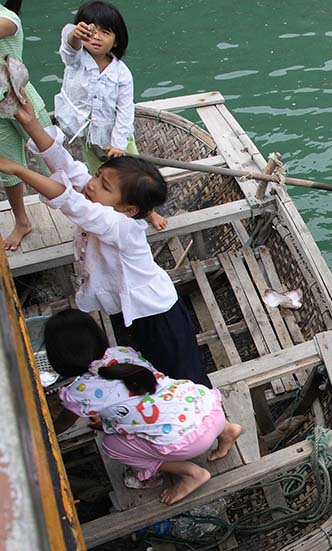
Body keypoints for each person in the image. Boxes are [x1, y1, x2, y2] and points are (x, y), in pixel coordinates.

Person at [0, 91, 210, 387]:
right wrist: (31, 123)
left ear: (129, 209)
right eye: (98, 176)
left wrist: (19, 169)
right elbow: (65, 165)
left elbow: (72, 202)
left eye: (103, 185)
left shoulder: (122, 226)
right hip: (131, 309)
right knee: (148, 368)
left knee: (182, 377)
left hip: (157, 315)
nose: (92, 185)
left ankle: (218, 426)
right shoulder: (104, 201)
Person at [44, 310, 242, 504]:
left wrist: (45, 435)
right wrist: (107, 421)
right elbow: (130, 398)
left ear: (59, 360)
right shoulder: (121, 352)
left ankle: (190, 473)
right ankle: (228, 431)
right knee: (174, 400)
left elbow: (61, 424)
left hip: (189, 442)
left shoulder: (79, 392)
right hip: (210, 410)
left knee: (112, 446)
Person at [55, 1, 165, 229]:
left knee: (135, 178)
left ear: (116, 40)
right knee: (102, 175)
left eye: (105, 32)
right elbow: (69, 45)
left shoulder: (122, 73)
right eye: (91, 31)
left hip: (116, 137)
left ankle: (148, 212)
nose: (96, 37)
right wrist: (75, 34)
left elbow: (125, 111)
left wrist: (118, 144)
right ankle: (108, 211)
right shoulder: (76, 59)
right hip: (88, 135)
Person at [0, 0, 59, 250]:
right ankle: (22, 221)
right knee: (8, 169)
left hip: (22, 102)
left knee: (53, 161)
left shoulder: (8, 18)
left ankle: (85, 216)